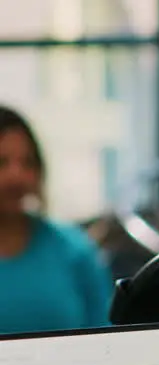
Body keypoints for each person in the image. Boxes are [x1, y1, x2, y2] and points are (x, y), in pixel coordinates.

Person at [0, 106, 112, 335]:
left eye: (27, 163)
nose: (16, 176)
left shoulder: (74, 250)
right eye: (2, 162)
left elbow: (107, 335)